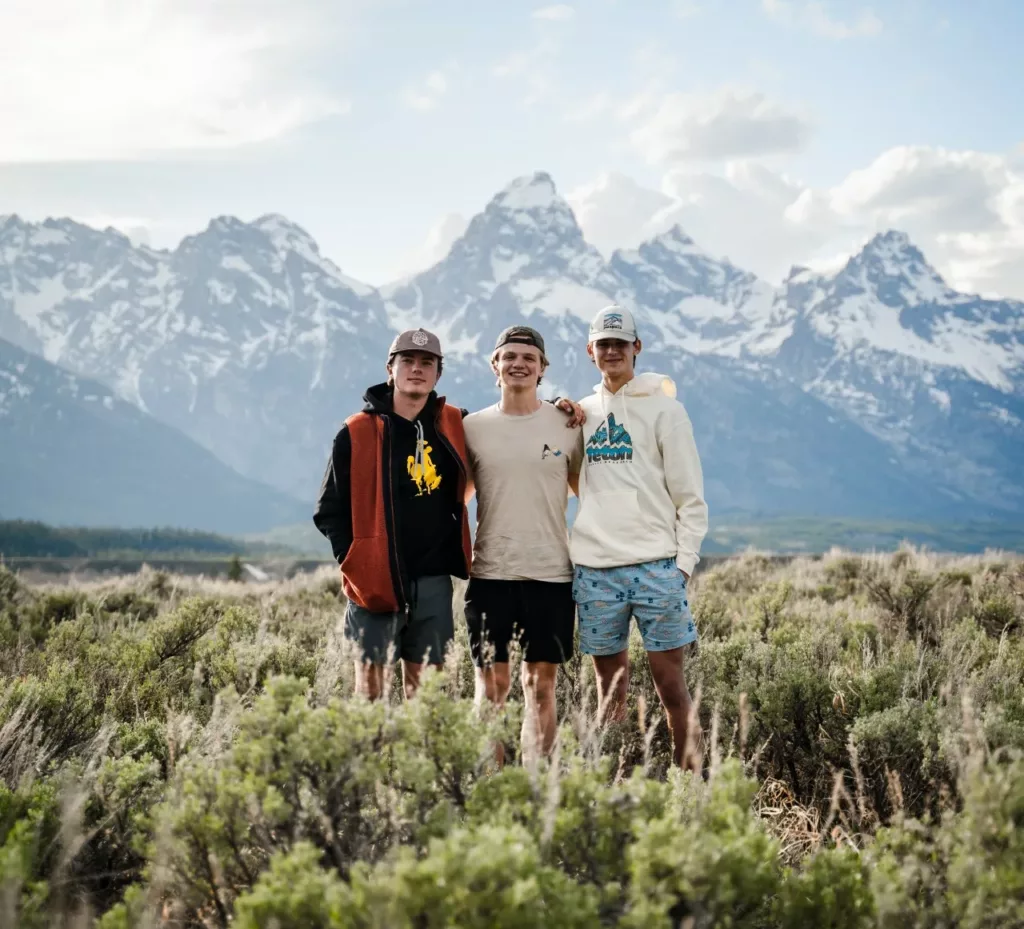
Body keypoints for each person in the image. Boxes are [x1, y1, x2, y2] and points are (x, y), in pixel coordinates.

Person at [569, 304, 708, 770]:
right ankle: (616, 785)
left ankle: (689, 791)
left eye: (620, 344)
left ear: (636, 348)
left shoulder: (668, 411)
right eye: (603, 344)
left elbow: (690, 497)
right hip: (596, 572)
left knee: (672, 689)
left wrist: (682, 565)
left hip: (656, 568)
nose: (612, 352)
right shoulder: (580, 414)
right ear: (591, 351)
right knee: (610, 695)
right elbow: (572, 478)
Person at [313, 328, 472, 701]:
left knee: (429, 698)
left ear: (438, 374)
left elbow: (510, 417)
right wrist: (357, 561)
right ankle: (373, 762)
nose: (417, 369)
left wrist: (562, 406)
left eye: (427, 363)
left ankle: (417, 761)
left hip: (433, 582)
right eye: (408, 361)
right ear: (391, 368)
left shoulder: (453, 424)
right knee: (370, 696)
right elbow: (328, 510)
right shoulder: (356, 432)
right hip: (375, 584)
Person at [462, 325, 583, 765]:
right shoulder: (471, 427)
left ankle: (539, 789)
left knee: (541, 687)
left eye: (529, 358)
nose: (519, 363)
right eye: (509, 356)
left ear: (542, 369)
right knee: (491, 687)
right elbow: (456, 498)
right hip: (489, 574)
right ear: (495, 366)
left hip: (550, 575)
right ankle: (490, 789)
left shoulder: (568, 424)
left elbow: (585, 489)